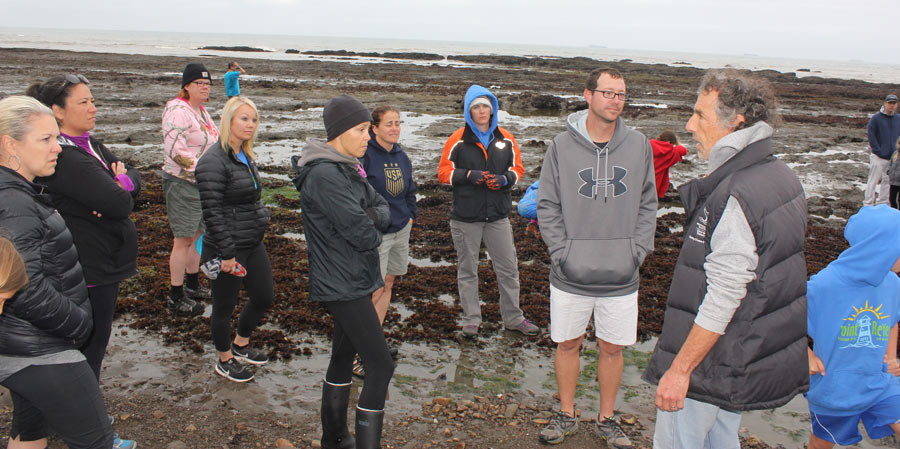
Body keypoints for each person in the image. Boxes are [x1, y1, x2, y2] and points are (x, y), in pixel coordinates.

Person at [642, 69, 808, 449]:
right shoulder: (782, 176)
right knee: (722, 437)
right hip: (739, 355)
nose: (689, 124)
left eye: (700, 114)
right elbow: (779, 276)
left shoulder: (735, 192)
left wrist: (680, 370)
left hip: (710, 362)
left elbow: (725, 292)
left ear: (736, 121)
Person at [0, 95, 136, 449]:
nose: (57, 148)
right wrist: (77, 324)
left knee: (29, 433)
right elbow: (23, 285)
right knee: (95, 442)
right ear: (9, 145)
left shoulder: (20, 192)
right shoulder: (14, 204)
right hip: (41, 347)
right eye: (45, 139)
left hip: (21, 342)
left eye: (55, 138)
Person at [536, 67, 657, 448]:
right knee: (567, 343)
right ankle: (567, 413)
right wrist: (560, 252)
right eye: (608, 93)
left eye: (621, 94)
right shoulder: (560, 146)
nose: (615, 101)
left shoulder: (639, 145)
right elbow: (547, 204)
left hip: (621, 272)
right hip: (571, 271)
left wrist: (637, 251)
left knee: (612, 349)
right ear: (587, 95)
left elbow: (648, 203)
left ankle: (607, 419)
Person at [292, 94, 394, 449]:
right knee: (380, 366)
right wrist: (371, 216)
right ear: (340, 132)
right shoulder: (324, 174)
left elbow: (384, 208)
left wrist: (370, 215)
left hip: (354, 277)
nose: (369, 136)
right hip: (341, 282)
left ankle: (334, 439)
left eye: (368, 128)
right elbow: (365, 233)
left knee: (341, 356)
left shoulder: (347, 165)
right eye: (362, 129)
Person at [26, 74, 142, 383]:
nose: (93, 107)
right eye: (83, 102)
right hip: (88, 266)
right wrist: (117, 189)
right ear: (58, 111)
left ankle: (78, 412)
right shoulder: (65, 156)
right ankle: (85, 421)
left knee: (94, 339)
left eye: (92, 100)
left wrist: (123, 183)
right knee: (88, 342)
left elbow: (132, 175)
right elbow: (118, 205)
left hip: (105, 261)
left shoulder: (91, 144)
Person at [437, 84, 539, 338]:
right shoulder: (457, 139)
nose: (482, 111)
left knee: (508, 269)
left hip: (497, 216)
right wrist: (468, 175)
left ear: (493, 109)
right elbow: (443, 173)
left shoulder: (506, 138)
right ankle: (471, 320)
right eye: (476, 107)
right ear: (468, 111)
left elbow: (518, 169)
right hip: (465, 217)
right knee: (468, 270)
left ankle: (514, 318)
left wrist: (505, 180)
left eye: (485, 106)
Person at [805, 205, 900, 449]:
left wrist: (890, 356)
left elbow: (892, 321)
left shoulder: (892, 283)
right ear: (879, 248)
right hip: (835, 390)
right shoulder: (823, 286)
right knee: (821, 445)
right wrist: (806, 355)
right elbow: (784, 324)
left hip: (880, 383)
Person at [195, 96, 273, 383]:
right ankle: (224, 359)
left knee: (264, 296)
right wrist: (227, 254)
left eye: (253, 119)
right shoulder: (212, 162)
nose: (250, 124)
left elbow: (249, 199)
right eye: (243, 118)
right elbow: (212, 213)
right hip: (225, 248)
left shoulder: (245, 156)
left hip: (251, 243)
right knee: (224, 307)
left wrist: (262, 214)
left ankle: (241, 344)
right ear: (228, 121)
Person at [355, 105, 416, 377]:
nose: (395, 128)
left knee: (388, 282)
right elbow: (357, 194)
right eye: (389, 123)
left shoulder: (402, 155)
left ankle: (375, 340)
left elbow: (410, 189)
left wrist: (411, 216)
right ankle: (359, 350)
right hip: (377, 234)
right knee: (373, 290)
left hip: (401, 228)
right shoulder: (365, 155)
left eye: (398, 123)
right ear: (374, 128)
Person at [162, 62, 219, 315]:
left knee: (197, 237)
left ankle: (193, 284)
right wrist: (203, 171)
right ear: (186, 86)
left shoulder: (203, 112)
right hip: (183, 183)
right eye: (200, 84)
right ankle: (176, 295)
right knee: (183, 239)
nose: (205, 88)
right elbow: (175, 150)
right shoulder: (177, 111)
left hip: (203, 185)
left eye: (208, 84)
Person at [864, 94, 900, 206]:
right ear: (885, 104)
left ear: (897, 105)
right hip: (878, 157)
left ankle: (883, 203)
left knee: (887, 182)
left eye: (893, 103)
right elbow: (871, 135)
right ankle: (868, 203)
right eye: (889, 103)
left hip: (893, 158)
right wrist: (878, 150)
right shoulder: (876, 118)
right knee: (873, 180)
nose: (891, 105)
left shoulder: (898, 119)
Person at [650, 130, 687, 199]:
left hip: (637, 180)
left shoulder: (647, 145)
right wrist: (678, 143)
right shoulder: (670, 152)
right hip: (654, 185)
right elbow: (683, 150)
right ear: (668, 142)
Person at [888, 137, 900, 209]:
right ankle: (895, 214)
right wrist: (889, 172)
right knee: (891, 199)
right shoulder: (895, 153)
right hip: (893, 181)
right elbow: (891, 164)